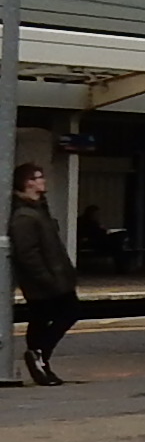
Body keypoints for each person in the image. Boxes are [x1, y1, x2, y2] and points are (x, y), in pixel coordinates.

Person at [10, 165, 81, 386]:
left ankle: (40, 362)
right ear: (27, 183)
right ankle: (38, 354)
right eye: (38, 178)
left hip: (51, 277)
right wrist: (47, 279)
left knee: (42, 319)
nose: (43, 181)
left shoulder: (38, 209)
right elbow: (27, 253)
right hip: (44, 281)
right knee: (68, 311)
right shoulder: (24, 215)